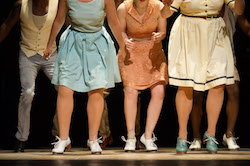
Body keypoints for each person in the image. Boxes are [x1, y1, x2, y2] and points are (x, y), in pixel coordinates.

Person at [161, 0, 245, 154]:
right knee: (186, 85)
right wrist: (166, 6)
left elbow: (238, 10)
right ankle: (182, 135)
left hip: (216, 32)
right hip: (188, 32)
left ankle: (211, 134)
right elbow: (166, 14)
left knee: (218, 82)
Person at [43, 0, 125, 155]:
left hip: (97, 42)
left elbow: (114, 22)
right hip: (73, 42)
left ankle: (93, 139)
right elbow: (59, 20)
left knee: (96, 90)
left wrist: (122, 46)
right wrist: (49, 45)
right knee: (65, 89)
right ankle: (63, 138)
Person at [0, 0, 59, 152]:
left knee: (64, 89)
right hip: (28, 54)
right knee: (27, 93)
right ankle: (21, 138)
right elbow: (7, 25)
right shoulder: (21, 5)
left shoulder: (57, 4)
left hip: (50, 54)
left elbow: (68, 24)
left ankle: (60, 135)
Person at [189, 3, 248, 151]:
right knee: (197, 94)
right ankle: (196, 137)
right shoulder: (203, 5)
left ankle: (228, 135)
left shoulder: (233, 8)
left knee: (233, 91)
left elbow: (244, 25)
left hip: (224, 53)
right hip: (200, 53)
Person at [117, 0, 168, 152]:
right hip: (131, 53)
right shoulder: (123, 8)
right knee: (131, 92)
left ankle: (147, 135)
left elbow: (163, 32)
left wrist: (159, 36)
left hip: (153, 53)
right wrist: (125, 40)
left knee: (159, 91)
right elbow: (120, 30)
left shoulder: (158, 6)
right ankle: (131, 137)